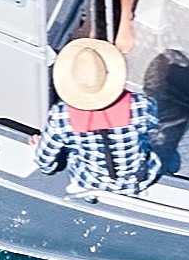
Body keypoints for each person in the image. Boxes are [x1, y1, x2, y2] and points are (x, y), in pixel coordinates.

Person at [33, 38, 161, 197]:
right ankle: (135, 191)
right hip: (138, 180)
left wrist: (41, 154)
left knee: (71, 151)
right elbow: (154, 126)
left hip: (89, 181)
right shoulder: (141, 105)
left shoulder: (61, 117)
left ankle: (86, 190)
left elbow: (44, 162)